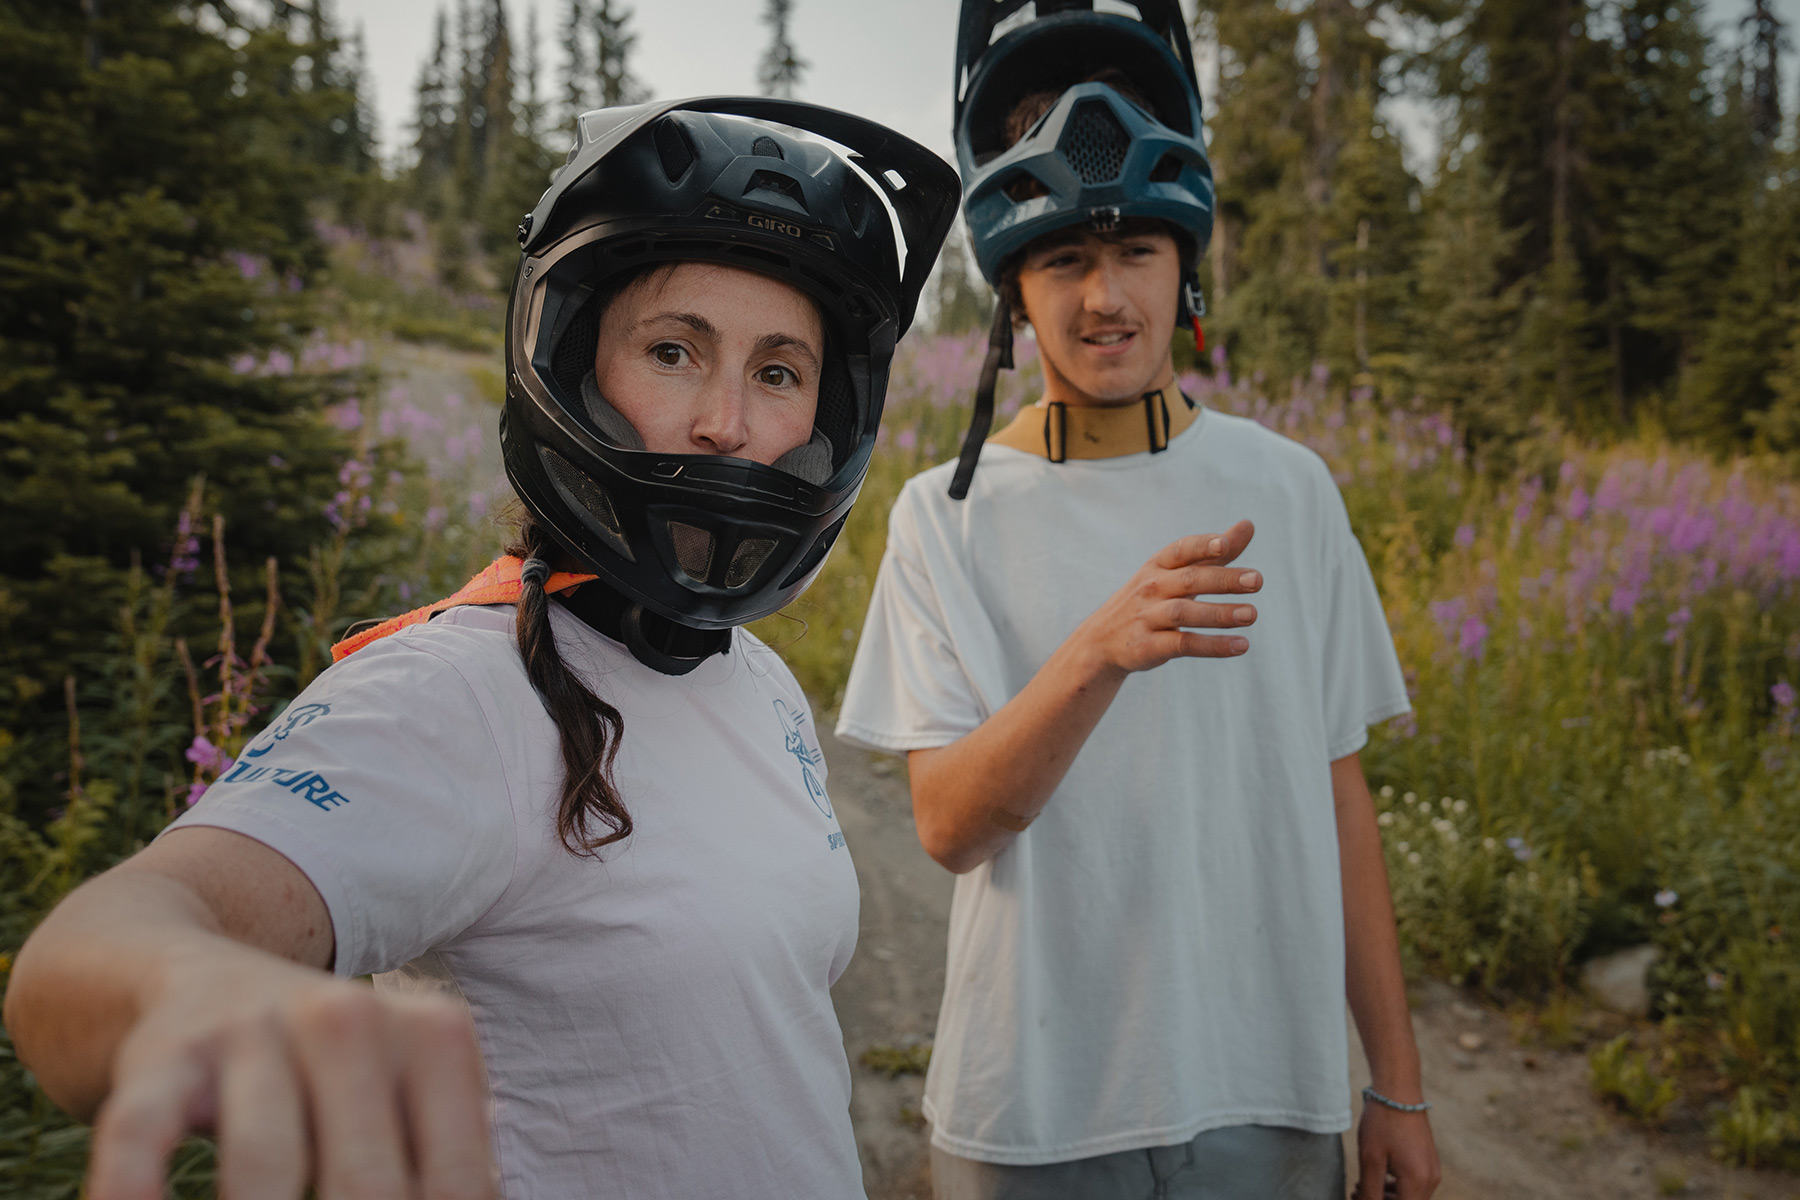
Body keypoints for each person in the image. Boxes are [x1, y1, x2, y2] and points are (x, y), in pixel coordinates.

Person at [4, 96, 957, 1200]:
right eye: (672, 350)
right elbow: (81, 959)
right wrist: (205, 996)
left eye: (779, 371)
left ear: (825, 421)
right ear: (568, 367)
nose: (725, 423)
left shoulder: (761, 680)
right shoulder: (456, 692)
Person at [834, 5, 1443, 1198]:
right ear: (1013, 285)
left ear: (1186, 263)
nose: (1104, 296)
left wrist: (1399, 1083)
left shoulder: (1290, 490)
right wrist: (1093, 655)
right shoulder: (942, 517)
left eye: (1136, 255)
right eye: (1065, 259)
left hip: (1270, 1092)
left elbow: (1340, 800)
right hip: (1033, 1114)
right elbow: (949, 827)